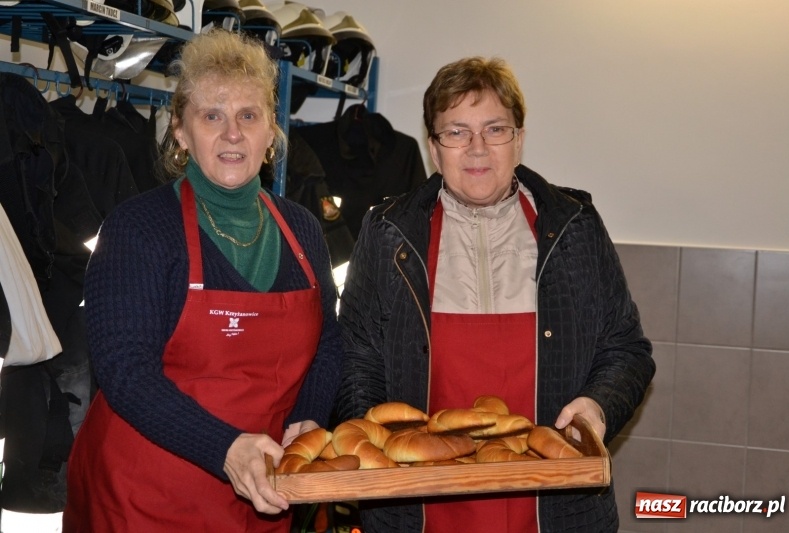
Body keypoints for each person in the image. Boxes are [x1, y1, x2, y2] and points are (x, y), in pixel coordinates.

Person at [334, 56, 656, 532]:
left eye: (495, 129)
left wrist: (596, 407)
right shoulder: (387, 234)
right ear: (433, 148)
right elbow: (355, 358)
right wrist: (380, 447)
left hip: (554, 508)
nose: (477, 148)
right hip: (420, 508)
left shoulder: (574, 227)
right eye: (457, 132)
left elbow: (627, 350)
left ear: (519, 139)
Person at [62, 29, 342, 532]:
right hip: (142, 497)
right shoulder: (139, 228)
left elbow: (328, 342)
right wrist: (224, 448)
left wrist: (307, 421)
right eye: (212, 115)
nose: (232, 133)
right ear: (181, 133)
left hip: (260, 489)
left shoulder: (301, 228)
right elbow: (124, 369)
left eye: (248, 116)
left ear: (271, 131)